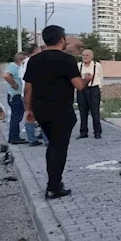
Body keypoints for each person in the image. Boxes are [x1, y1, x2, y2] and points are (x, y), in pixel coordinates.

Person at [23, 25, 93, 199]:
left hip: (41, 111)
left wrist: (29, 109)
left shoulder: (34, 60)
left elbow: (28, 88)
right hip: (61, 111)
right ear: (62, 39)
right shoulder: (67, 60)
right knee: (59, 149)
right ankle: (54, 187)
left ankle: (53, 182)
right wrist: (87, 79)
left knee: (52, 146)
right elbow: (78, 86)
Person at [19, 44, 48, 146]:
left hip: (24, 93)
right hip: (35, 93)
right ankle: (47, 140)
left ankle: (32, 139)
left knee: (29, 116)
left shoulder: (23, 63)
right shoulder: (35, 62)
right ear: (36, 51)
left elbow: (21, 78)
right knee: (43, 116)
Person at [77, 49, 104, 139]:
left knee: (95, 112)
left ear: (92, 56)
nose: (85, 57)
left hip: (94, 90)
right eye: (83, 55)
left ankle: (97, 132)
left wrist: (99, 89)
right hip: (82, 90)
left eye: (87, 55)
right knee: (82, 112)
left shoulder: (97, 65)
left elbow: (100, 78)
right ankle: (83, 132)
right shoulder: (79, 65)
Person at [4, 52, 28, 144]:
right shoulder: (14, 67)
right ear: (20, 60)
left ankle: (14, 136)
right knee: (16, 117)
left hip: (16, 95)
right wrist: (15, 85)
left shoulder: (17, 67)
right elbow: (6, 76)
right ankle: (14, 137)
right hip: (15, 96)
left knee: (16, 117)